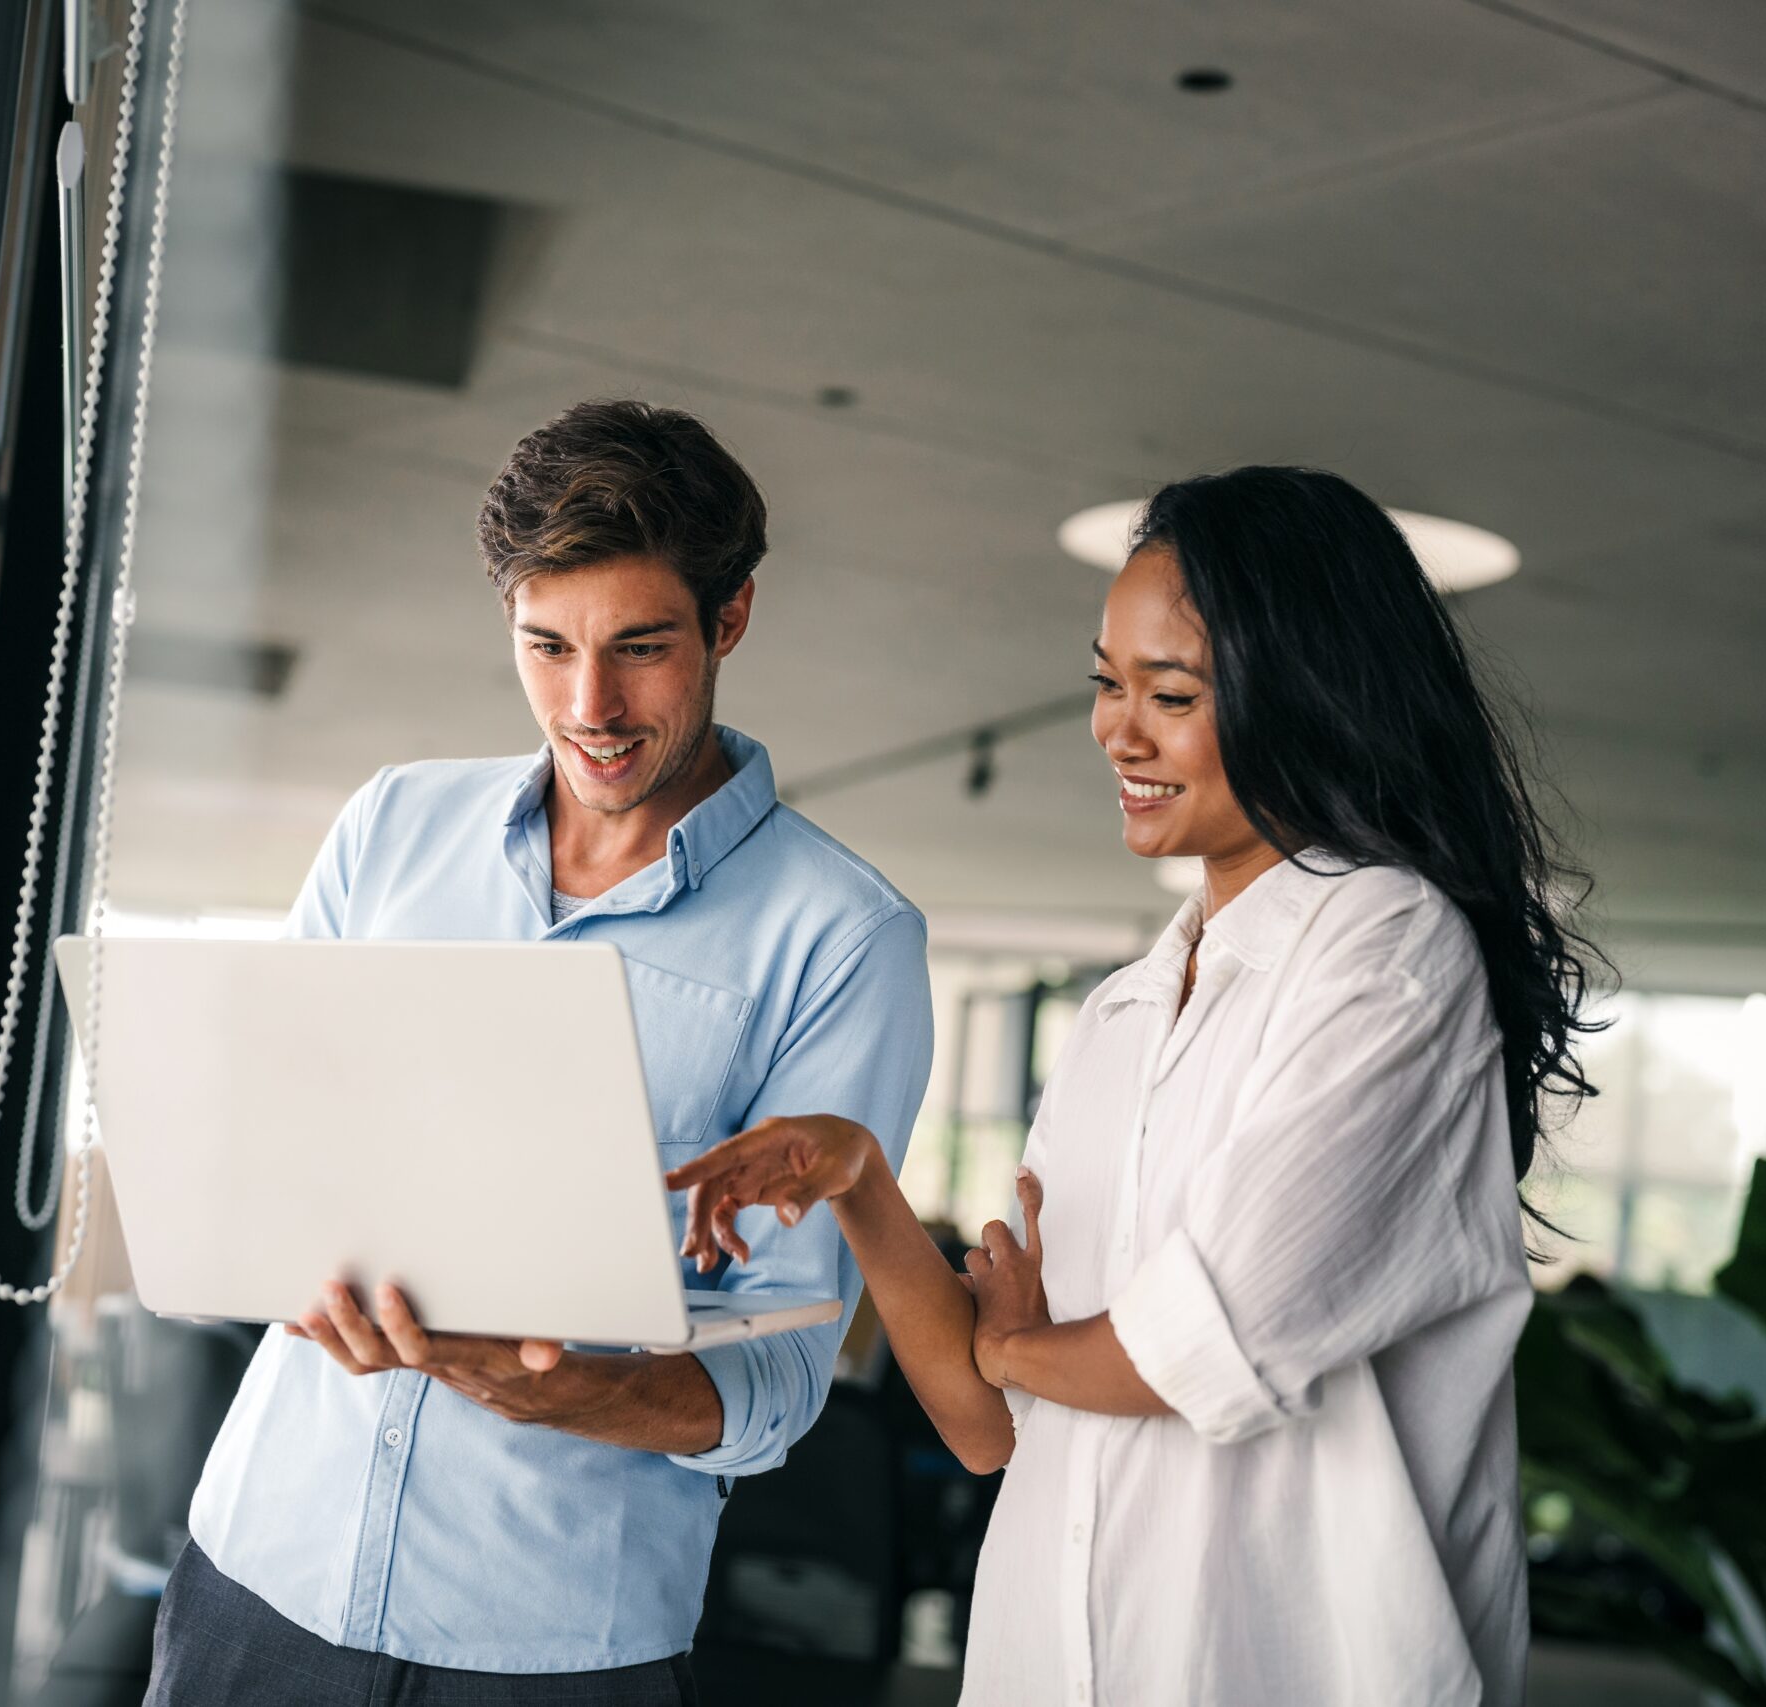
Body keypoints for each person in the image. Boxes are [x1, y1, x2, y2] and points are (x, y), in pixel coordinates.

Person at [669, 466, 1602, 1706]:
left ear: (1307, 700)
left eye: (1171, 693)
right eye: (1107, 685)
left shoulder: (1388, 948)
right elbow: (986, 1426)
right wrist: (859, 1182)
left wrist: (1019, 1342)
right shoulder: (1120, 1014)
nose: (1118, 730)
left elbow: (1196, 1352)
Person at [142, 400, 934, 1706]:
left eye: (641, 646)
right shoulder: (394, 821)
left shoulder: (845, 937)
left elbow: (778, 1387)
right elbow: (272, 1143)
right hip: (256, 1572)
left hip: (546, 1649)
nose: (592, 706)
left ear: (729, 619)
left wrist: (533, 1386)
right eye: (545, 644)